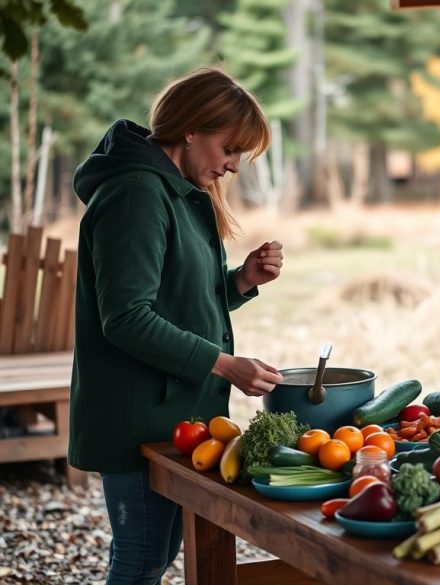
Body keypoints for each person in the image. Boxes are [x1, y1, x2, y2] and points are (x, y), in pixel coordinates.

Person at [69, 67, 285, 585]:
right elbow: (126, 318)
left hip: (170, 412)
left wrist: (238, 282)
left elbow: (173, 302)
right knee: (140, 560)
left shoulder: (172, 187)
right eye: (229, 149)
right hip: (135, 413)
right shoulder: (137, 193)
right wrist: (225, 365)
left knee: (155, 556)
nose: (233, 166)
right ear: (190, 129)